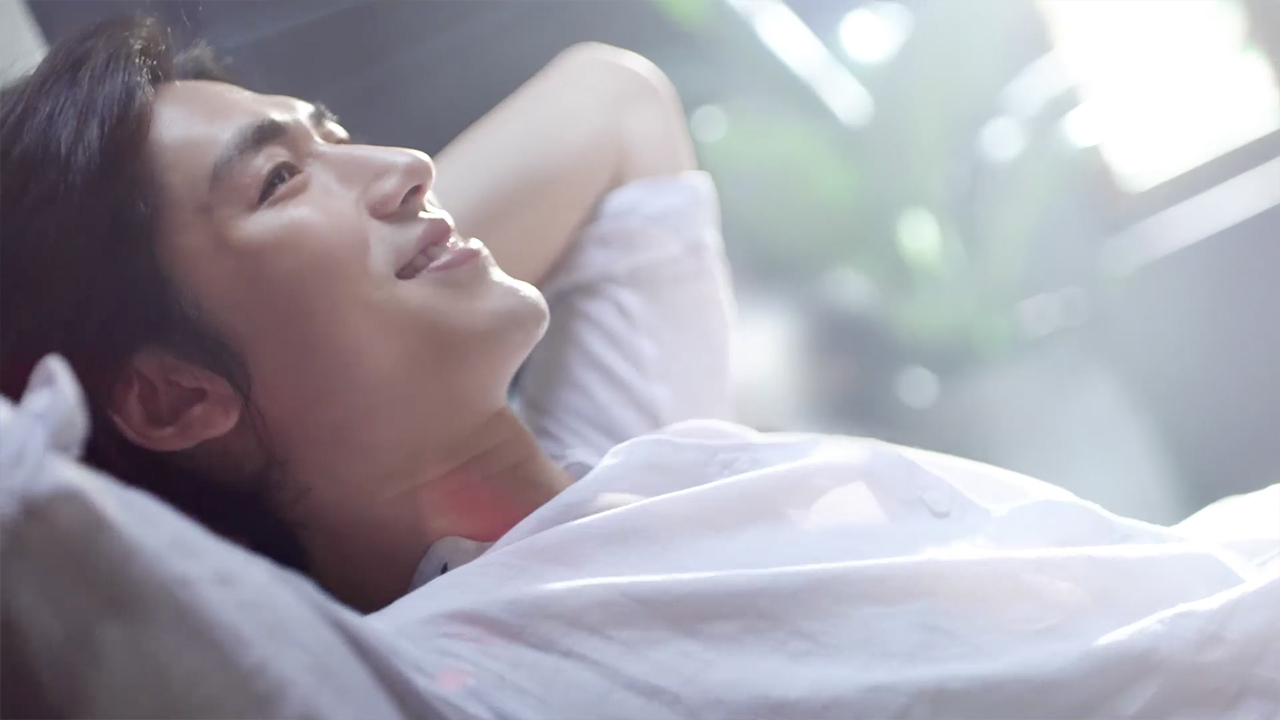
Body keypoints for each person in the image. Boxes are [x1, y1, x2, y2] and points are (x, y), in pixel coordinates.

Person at [2, 16, 1276, 718]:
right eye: (282, 180)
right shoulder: (454, 675)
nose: (406, 167)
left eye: (339, 135)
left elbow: (611, 102)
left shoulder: (617, 450)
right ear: (172, 397)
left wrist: (354, 303)